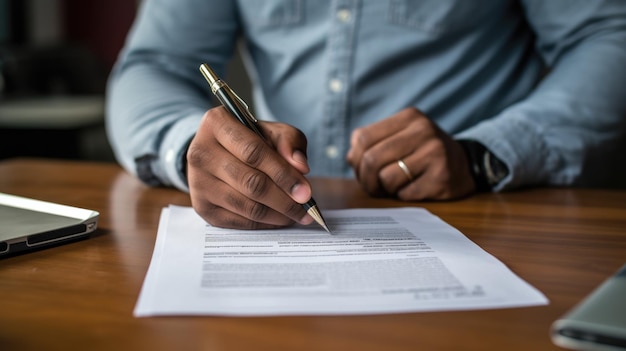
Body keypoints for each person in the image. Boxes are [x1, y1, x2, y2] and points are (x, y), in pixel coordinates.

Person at [106, 1, 626, 230]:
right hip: (279, 218)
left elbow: (608, 37)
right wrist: (191, 150)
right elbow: (154, 64)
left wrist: (485, 153)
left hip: (482, 216)